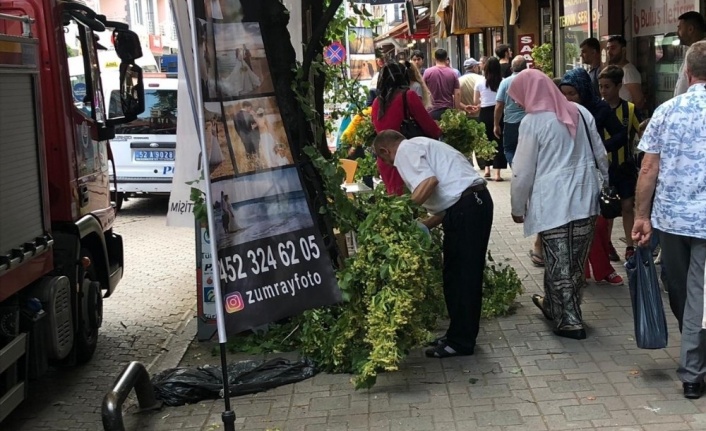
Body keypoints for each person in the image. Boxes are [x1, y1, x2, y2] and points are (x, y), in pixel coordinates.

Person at [372, 130, 493, 357]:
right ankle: (457, 333)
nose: (390, 165)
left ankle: (461, 342)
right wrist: (424, 225)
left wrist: (399, 213)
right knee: (454, 275)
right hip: (471, 205)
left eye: (385, 160)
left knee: (463, 276)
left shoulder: (405, 150)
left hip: (469, 208)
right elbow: (447, 202)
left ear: (384, 151)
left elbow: (429, 182)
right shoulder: (423, 145)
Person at [508, 69, 609, 340]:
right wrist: (604, 184)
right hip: (585, 197)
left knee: (559, 263)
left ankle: (570, 321)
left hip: (553, 200)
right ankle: (554, 306)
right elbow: (600, 152)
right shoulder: (580, 111)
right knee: (574, 262)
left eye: (519, 96)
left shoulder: (533, 122)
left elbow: (522, 171)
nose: (517, 102)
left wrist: (517, 207)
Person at [631, 40, 706, 400]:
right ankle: (695, 353)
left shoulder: (667, 111)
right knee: (697, 294)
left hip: (672, 220)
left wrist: (641, 216)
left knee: (681, 288)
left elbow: (649, 167)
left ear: (688, 73)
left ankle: (692, 370)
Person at [559, 67, 625, 285]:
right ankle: (581, 271)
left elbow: (621, 135)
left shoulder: (599, 109)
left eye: (573, 93)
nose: (568, 98)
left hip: (593, 173)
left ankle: (603, 269)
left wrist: (600, 148)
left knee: (597, 224)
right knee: (572, 224)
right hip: (566, 174)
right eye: (564, 93)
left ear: (584, 91)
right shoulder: (557, 113)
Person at [371, 62, 441, 196]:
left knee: (397, 205)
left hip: (386, 160)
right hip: (407, 159)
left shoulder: (376, 103)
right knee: (414, 203)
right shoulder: (408, 96)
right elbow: (430, 128)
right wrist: (439, 129)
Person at [598, 65, 642, 260]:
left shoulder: (629, 109)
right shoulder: (598, 110)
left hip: (625, 166)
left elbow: (641, 132)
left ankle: (629, 246)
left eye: (607, 86)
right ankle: (607, 245)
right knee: (607, 209)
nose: (603, 91)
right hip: (604, 167)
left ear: (618, 86)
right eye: (600, 87)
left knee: (627, 205)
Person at [474, 57, 507, 181]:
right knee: (498, 140)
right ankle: (498, 173)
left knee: (486, 140)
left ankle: (487, 169)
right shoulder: (503, 81)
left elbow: (475, 101)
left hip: (484, 112)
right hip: (499, 112)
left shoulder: (480, 83)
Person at [494, 55, 527, 165]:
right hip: (529, 120)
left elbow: (499, 105)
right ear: (526, 68)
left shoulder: (505, 82)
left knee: (509, 149)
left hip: (511, 122)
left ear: (512, 69)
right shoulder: (531, 81)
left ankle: (516, 170)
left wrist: (496, 124)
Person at [606, 35, 645, 110]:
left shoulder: (628, 71)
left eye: (613, 48)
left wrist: (627, 116)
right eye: (608, 49)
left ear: (623, 50)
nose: (609, 52)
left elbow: (639, 101)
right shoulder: (616, 69)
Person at [674, 11, 706, 96]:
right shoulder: (692, 49)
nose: (677, 32)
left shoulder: (699, 51)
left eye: (679, 28)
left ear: (690, 29)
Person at [423, 49, 461, 120]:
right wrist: (457, 110)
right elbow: (457, 93)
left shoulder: (427, 72)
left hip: (432, 110)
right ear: (446, 58)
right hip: (448, 111)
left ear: (435, 58)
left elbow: (423, 90)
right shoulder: (453, 73)